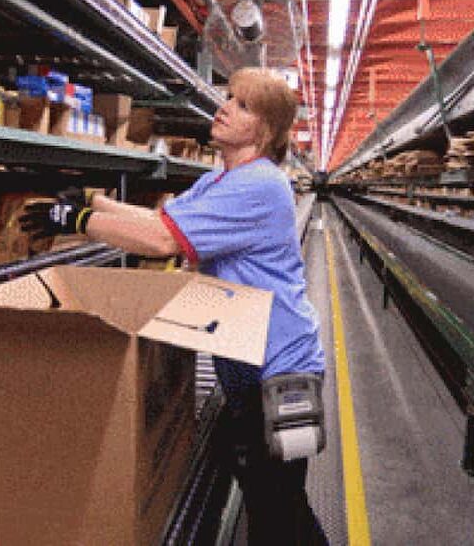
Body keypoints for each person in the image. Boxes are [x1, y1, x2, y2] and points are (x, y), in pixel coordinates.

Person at [21, 68, 328, 545]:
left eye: (243, 106)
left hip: (280, 370)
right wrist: (94, 201)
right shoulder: (221, 181)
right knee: (273, 498)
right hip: (251, 365)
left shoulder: (261, 185)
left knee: (276, 510)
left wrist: (80, 221)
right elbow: (160, 218)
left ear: (265, 131)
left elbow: (163, 240)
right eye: (229, 97)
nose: (224, 107)